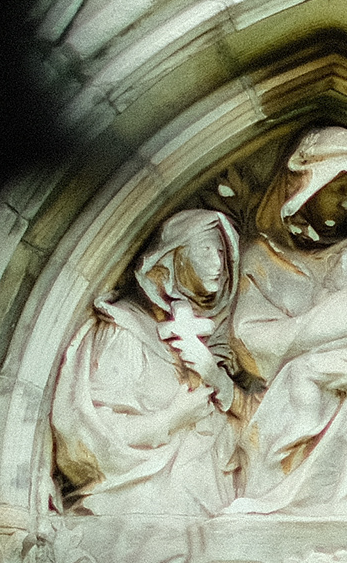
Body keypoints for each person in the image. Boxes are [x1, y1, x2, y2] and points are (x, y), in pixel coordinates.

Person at [224, 126, 347, 519]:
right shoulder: (262, 260)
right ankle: (279, 502)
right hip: (283, 395)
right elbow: (249, 345)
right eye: (338, 188)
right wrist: (331, 326)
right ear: (307, 188)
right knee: (305, 377)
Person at [46, 207, 245, 519]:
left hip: (205, 493)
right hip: (140, 496)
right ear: (173, 256)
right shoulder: (125, 331)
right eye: (206, 250)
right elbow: (93, 437)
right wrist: (173, 418)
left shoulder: (207, 342)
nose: (219, 265)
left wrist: (217, 382)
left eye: (222, 253)